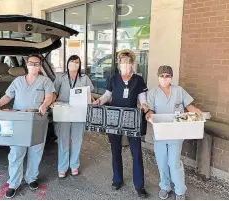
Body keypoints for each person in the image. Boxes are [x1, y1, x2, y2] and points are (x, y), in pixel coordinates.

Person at [0, 55, 55, 199]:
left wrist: (44, 105)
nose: (34, 66)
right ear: (27, 64)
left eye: (36, 64)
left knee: (36, 151)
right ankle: (13, 183)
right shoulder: (18, 81)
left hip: (37, 120)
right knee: (16, 153)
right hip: (19, 121)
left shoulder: (45, 81)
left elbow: (49, 96)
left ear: (40, 65)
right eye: (31, 63)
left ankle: (31, 178)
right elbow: (8, 96)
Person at [145, 65, 210, 200]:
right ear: (158, 77)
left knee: (174, 162)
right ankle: (165, 186)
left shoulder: (179, 91)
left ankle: (180, 190)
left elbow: (189, 106)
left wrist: (201, 114)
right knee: (162, 162)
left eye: (167, 76)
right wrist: (148, 115)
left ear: (171, 77)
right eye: (162, 76)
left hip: (176, 133)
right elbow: (150, 110)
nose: (164, 78)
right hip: (160, 133)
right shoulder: (153, 93)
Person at [93, 49, 149, 198]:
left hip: (132, 119)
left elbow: (143, 99)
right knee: (115, 149)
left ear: (132, 63)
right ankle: (117, 179)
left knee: (136, 152)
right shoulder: (113, 79)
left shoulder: (138, 80)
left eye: (128, 62)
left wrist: (145, 107)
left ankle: (139, 185)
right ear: (119, 63)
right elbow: (107, 95)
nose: (125, 64)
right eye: (122, 62)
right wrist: (99, 101)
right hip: (114, 118)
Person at [53, 55, 94, 178]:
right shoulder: (61, 77)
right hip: (63, 111)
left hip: (79, 112)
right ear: (68, 63)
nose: (74, 63)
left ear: (79, 64)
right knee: (63, 140)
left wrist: (93, 102)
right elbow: (54, 93)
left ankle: (74, 165)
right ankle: (62, 167)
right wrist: (52, 102)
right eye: (72, 61)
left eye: (77, 62)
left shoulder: (84, 77)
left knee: (77, 140)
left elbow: (89, 94)